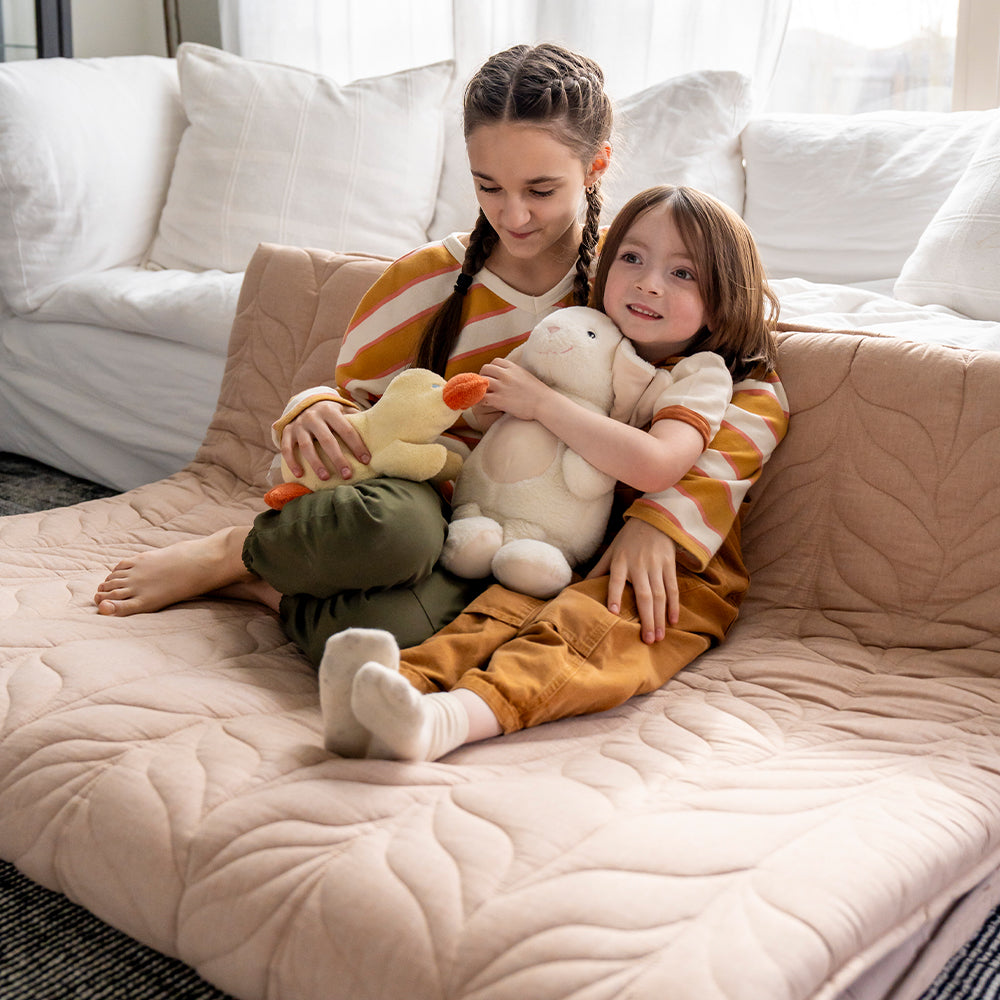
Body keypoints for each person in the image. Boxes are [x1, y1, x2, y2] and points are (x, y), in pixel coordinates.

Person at [93, 42, 618, 664]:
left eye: (540, 189)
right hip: (419, 502)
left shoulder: (633, 279)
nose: (513, 213)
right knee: (398, 534)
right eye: (488, 185)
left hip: (531, 536)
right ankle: (231, 552)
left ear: (596, 166)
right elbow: (355, 407)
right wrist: (311, 408)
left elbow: (711, 391)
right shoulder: (424, 281)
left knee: (388, 642)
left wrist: (655, 531)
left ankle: (267, 589)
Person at [316, 184, 790, 763]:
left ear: (724, 299)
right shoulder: (589, 336)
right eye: (632, 258)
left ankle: (447, 721)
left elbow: (657, 461)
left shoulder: (703, 374)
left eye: (683, 273)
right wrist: (493, 405)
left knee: (580, 634)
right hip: (573, 539)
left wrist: (542, 404)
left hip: (676, 567)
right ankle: (390, 692)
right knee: (494, 612)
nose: (648, 282)